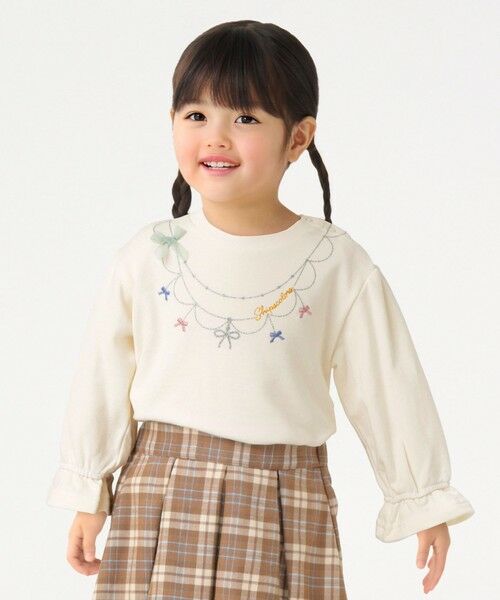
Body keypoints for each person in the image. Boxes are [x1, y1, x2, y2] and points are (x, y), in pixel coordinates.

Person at [47, 20, 475, 599]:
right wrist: (89, 492)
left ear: (298, 138)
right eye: (196, 115)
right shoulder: (149, 256)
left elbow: (387, 382)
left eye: (245, 118)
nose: (216, 137)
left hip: (286, 503)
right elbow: (102, 378)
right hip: (158, 499)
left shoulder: (335, 263)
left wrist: (422, 498)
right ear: (172, 122)